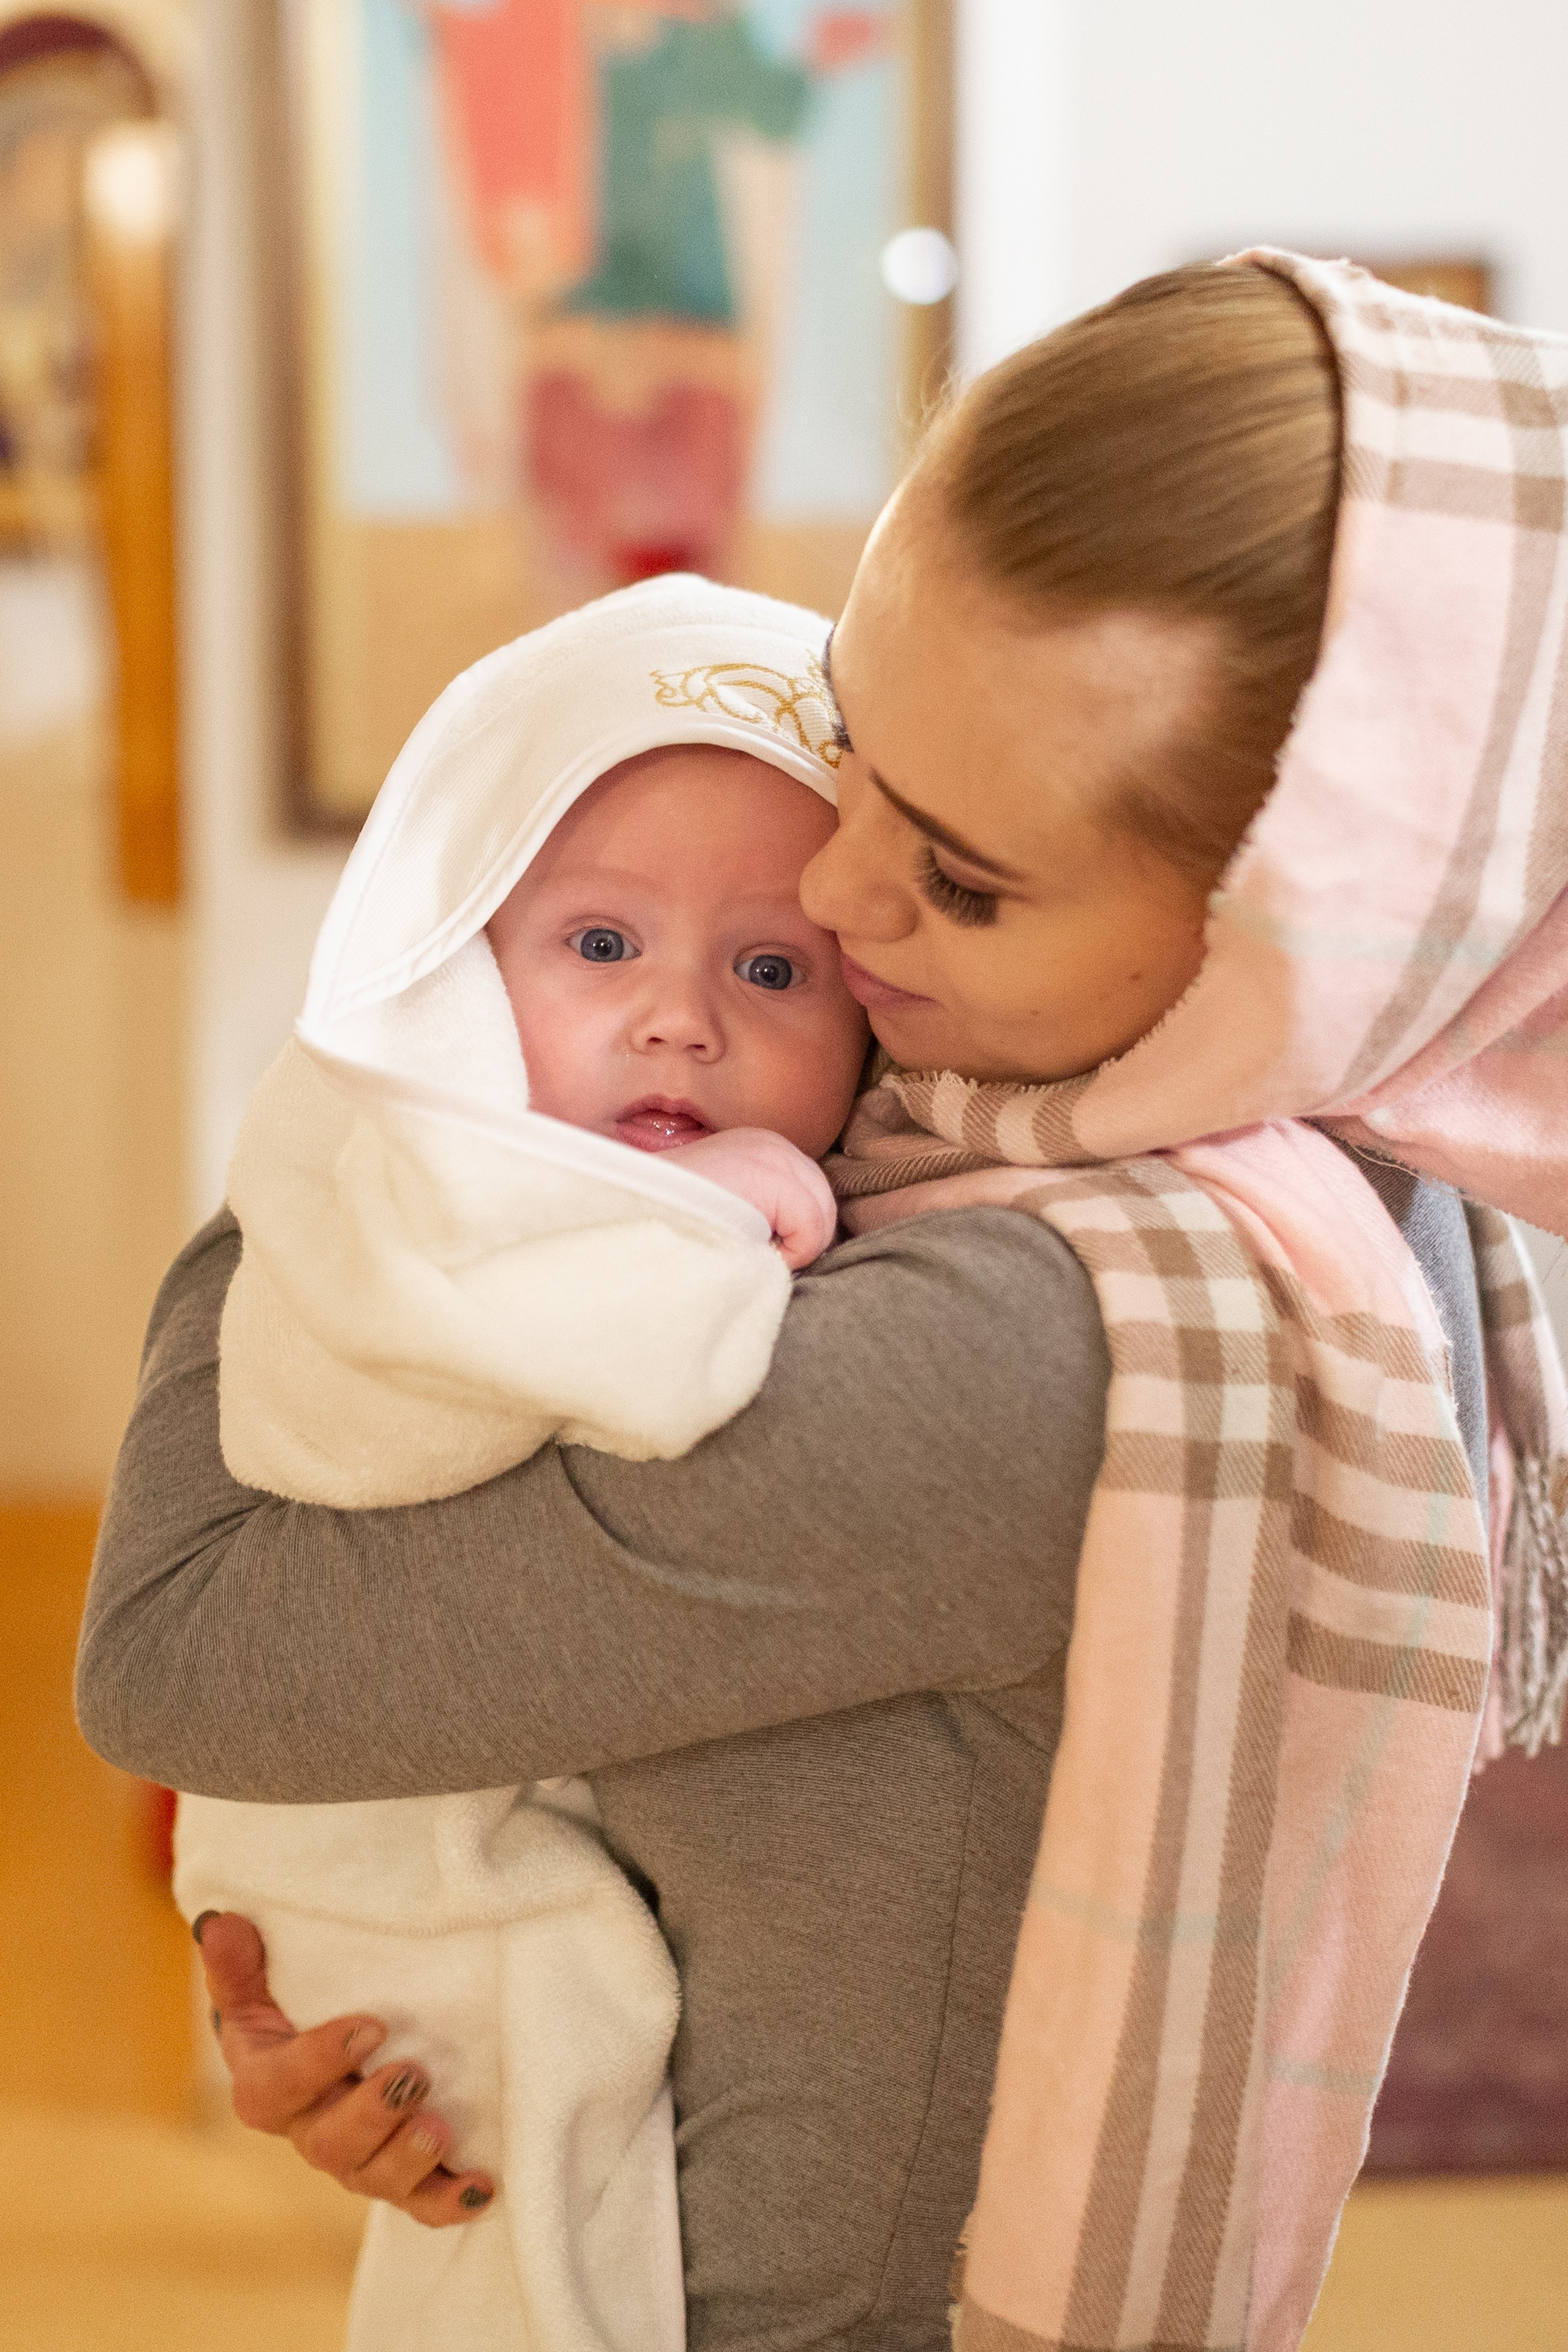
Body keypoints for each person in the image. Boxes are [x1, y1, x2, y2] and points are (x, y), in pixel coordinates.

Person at [78, 253, 1568, 2352]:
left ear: (1303, 942)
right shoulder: (1013, 1107)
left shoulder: (1050, 1345)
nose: (837, 895)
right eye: (855, 746)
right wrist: (412, 1990)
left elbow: (181, 1645)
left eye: (960, 874)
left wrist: (384, 1090)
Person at [174, 577, 869, 2352]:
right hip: (391, 1843)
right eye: (601, 944)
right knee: (537, 2173)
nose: (682, 1022)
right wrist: (686, 1238)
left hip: (494, 1810)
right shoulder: (409, 1171)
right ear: (465, 953)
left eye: (772, 969)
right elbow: (468, 1401)